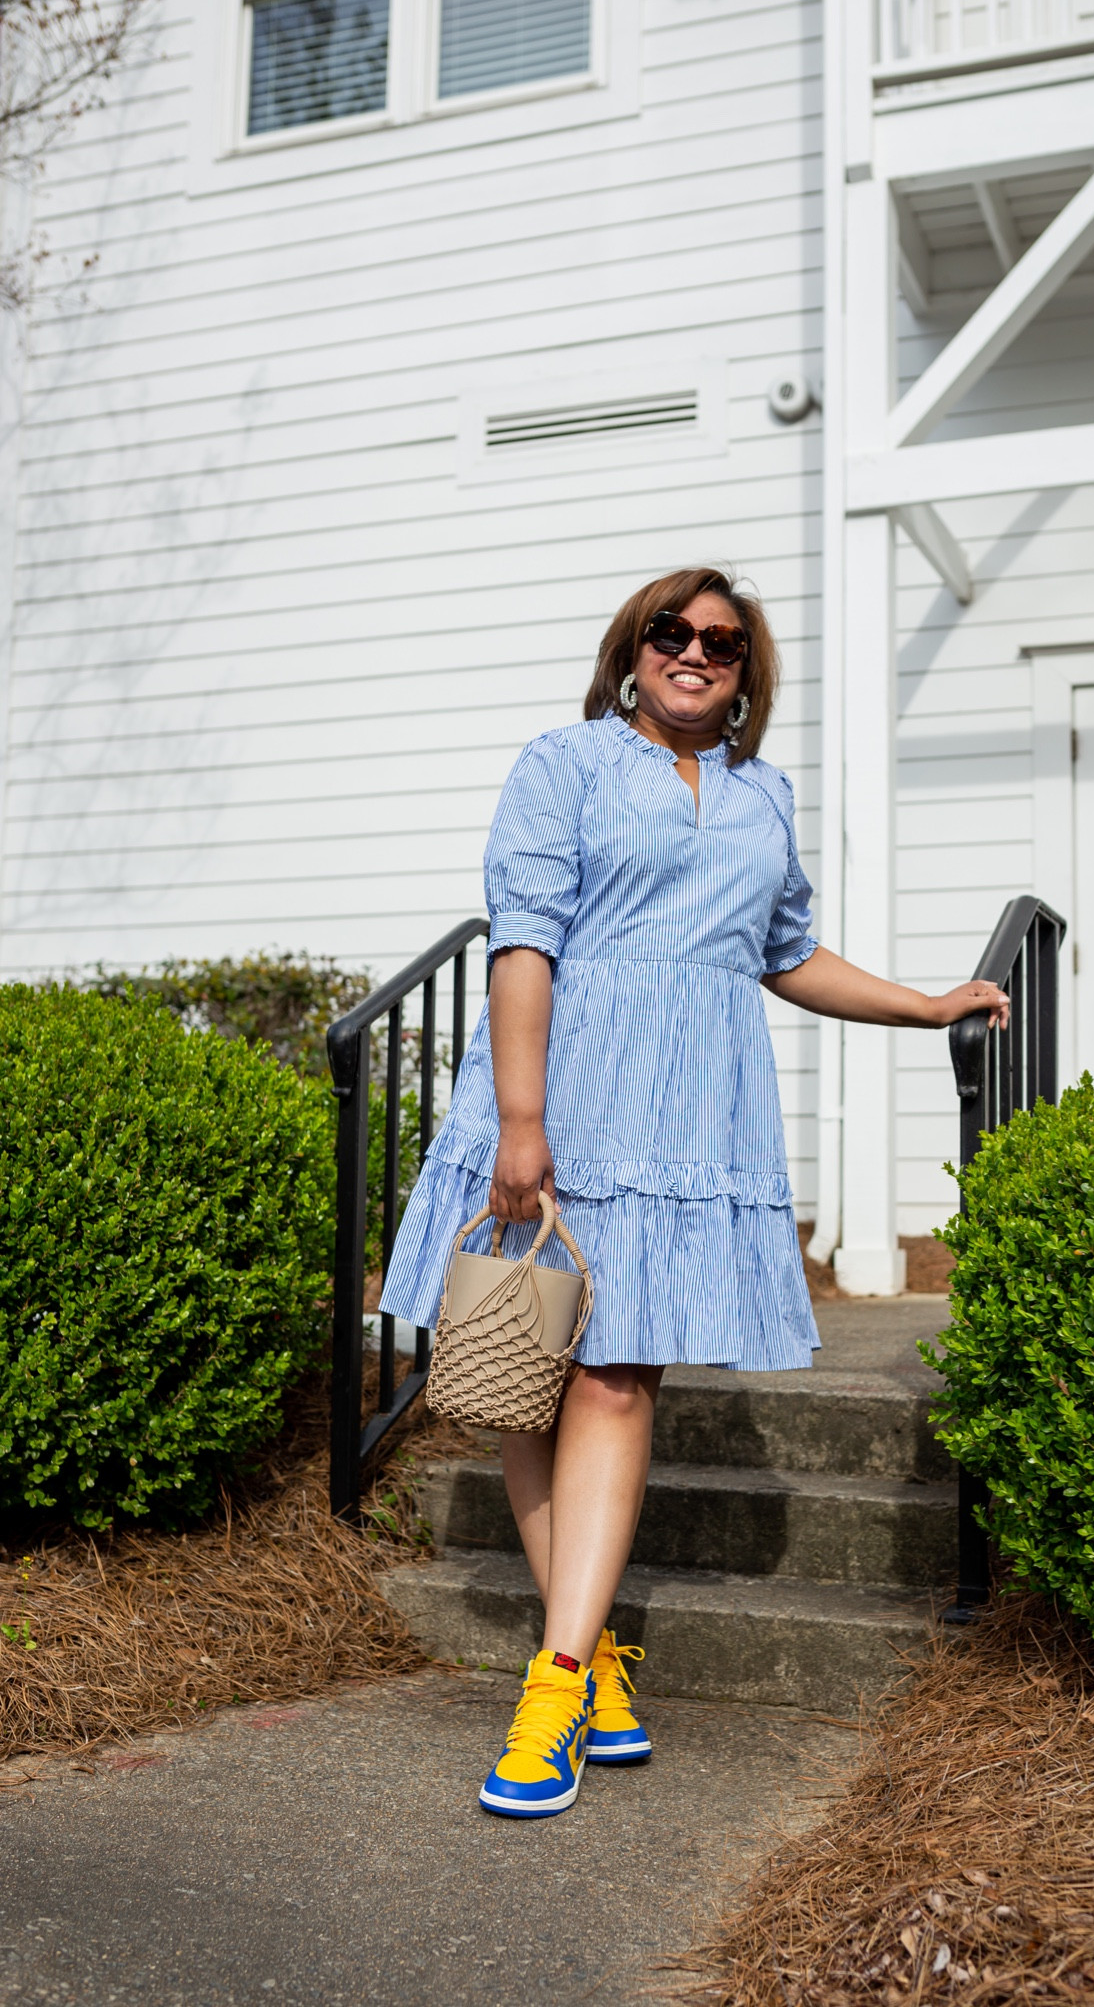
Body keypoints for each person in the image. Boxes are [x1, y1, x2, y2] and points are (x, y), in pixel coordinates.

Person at [379, 566, 1008, 1819]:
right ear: (633, 649)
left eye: (722, 641)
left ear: (744, 673)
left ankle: (555, 1679)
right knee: (529, 1366)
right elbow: (523, 937)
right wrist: (518, 1119)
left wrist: (925, 1002)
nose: (696, 651)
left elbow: (785, 953)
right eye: (673, 631)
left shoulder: (762, 792)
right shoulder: (565, 764)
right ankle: (595, 1664)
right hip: (561, 1088)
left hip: (691, 1110)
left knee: (619, 1375)